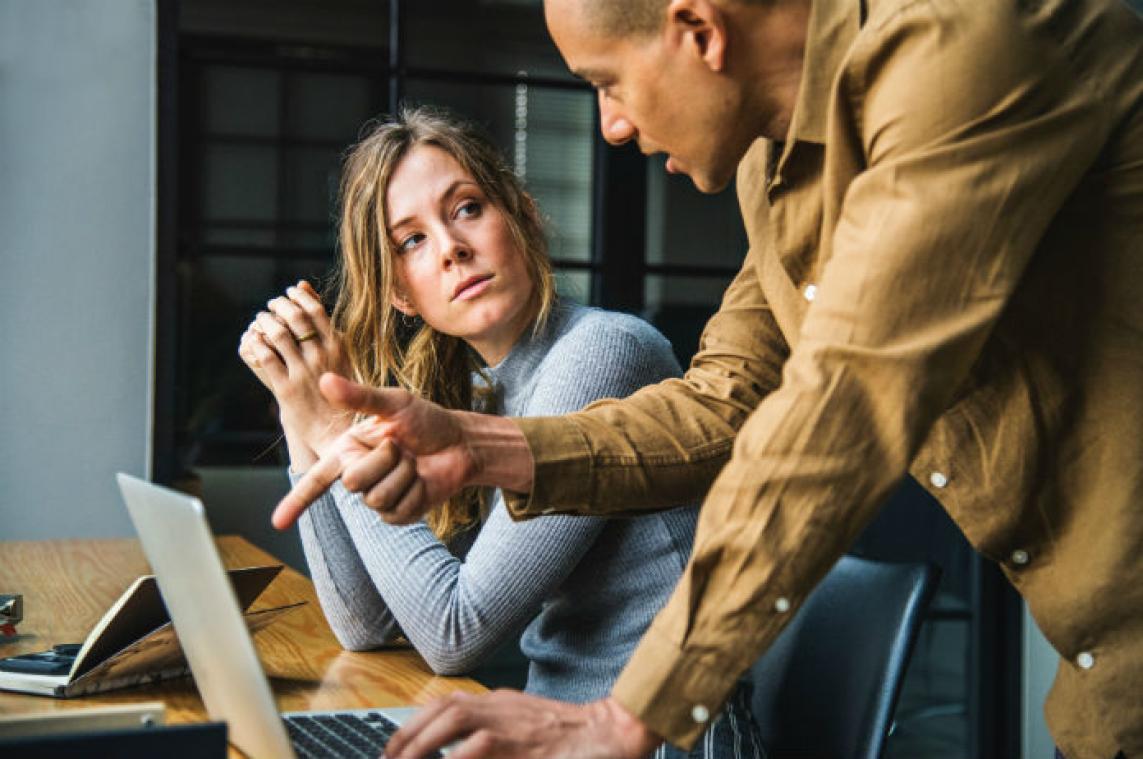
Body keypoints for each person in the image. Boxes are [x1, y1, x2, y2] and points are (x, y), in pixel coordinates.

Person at [274, 0, 1143, 757]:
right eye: (411, 241)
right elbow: (723, 400)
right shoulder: (776, 166)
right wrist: (476, 442)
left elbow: (843, 404)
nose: (610, 123)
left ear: (696, 30)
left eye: (607, 80)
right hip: (1105, 688)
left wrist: (627, 716)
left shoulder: (963, 53)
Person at [238, 106, 765, 759]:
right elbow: (366, 624)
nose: (452, 248)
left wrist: (336, 429)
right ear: (402, 292)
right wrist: (300, 410)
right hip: (560, 738)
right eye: (412, 240)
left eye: (465, 209)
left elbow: (452, 629)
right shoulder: (488, 391)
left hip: (665, 743)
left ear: (522, 216)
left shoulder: (602, 352)